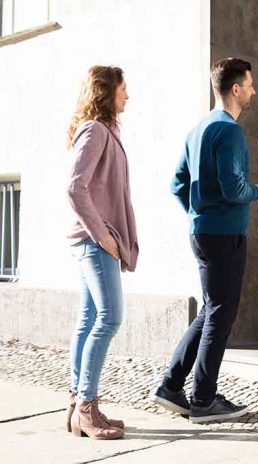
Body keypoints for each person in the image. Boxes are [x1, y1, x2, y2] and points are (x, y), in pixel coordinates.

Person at [152, 58, 258, 423]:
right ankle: (203, 400)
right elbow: (234, 188)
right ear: (235, 89)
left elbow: (177, 184)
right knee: (220, 313)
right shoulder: (229, 131)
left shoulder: (198, 128)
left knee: (210, 310)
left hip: (201, 231)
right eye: (249, 85)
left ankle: (172, 386)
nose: (253, 91)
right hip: (223, 234)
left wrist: (197, 212)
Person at [66, 65, 138, 439]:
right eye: (123, 89)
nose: (128, 95)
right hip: (95, 241)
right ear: (107, 92)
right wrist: (104, 236)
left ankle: (77, 404)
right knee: (109, 318)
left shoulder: (107, 130)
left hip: (92, 239)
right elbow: (75, 187)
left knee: (88, 318)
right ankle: (87, 407)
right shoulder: (95, 130)